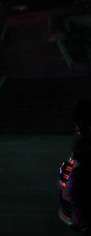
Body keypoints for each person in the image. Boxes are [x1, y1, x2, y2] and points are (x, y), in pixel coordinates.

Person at [69, 99, 91, 234]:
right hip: (84, 166)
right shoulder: (83, 130)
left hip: (85, 167)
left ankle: (84, 222)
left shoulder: (84, 128)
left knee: (79, 194)